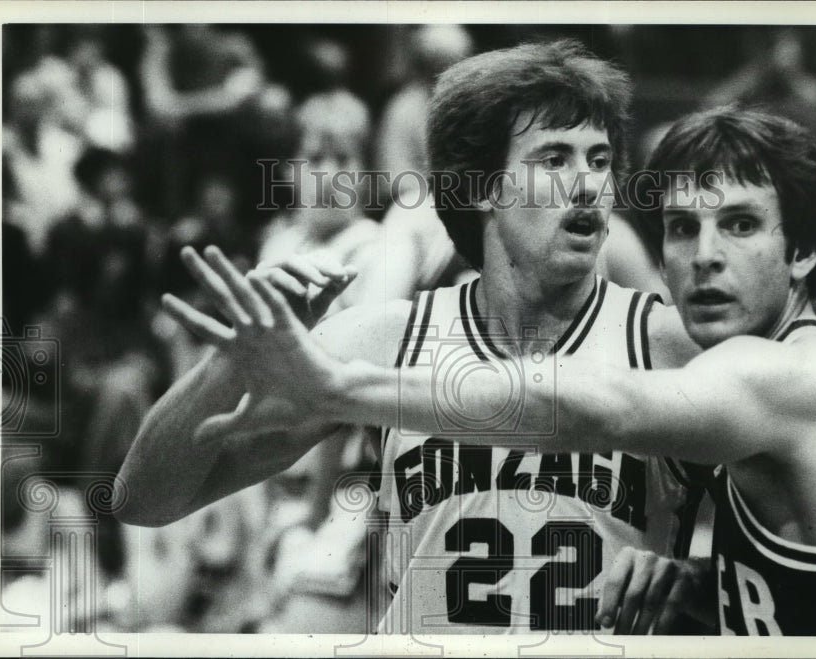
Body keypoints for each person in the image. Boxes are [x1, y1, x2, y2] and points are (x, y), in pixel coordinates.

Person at [168, 107, 816, 637]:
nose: (704, 255)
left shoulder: (792, 375)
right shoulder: (766, 378)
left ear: (806, 252)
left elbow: (596, 407)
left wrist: (342, 389)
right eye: (681, 228)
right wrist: (700, 583)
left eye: (741, 225)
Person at [117, 40, 704, 634]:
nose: (588, 186)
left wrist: (696, 579)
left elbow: (788, 543)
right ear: (480, 187)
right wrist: (231, 363)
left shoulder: (668, 345)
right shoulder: (389, 339)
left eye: (600, 161)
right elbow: (144, 500)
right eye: (554, 159)